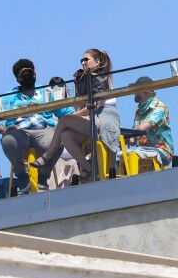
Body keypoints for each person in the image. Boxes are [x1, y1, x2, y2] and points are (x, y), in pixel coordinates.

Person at [31, 49, 121, 183]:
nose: (83, 62)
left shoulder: (100, 78)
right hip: (92, 120)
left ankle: (47, 156)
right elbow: (81, 104)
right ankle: (88, 168)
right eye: (82, 60)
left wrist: (72, 116)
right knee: (65, 136)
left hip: (105, 120)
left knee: (64, 120)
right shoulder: (88, 79)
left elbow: (94, 105)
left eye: (86, 59)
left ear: (97, 62)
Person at [0, 59, 74, 194]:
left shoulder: (47, 92)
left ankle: (43, 177)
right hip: (19, 132)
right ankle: (22, 175)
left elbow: (66, 112)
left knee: (59, 139)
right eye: (23, 75)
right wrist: (4, 130)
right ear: (17, 79)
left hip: (44, 130)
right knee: (8, 140)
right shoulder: (8, 97)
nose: (27, 77)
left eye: (30, 73)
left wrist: (60, 127)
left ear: (35, 74)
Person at [122, 76, 174, 167]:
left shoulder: (159, 107)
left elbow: (141, 129)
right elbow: (133, 138)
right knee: (120, 163)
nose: (134, 93)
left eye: (137, 89)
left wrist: (128, 134)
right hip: (142, 152)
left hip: (162, 151)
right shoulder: (138, 112)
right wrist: (125, 138)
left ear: (146, 91)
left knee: (131, 157)